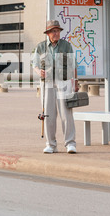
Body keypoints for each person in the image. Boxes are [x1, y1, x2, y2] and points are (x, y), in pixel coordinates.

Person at [32, 20, 79, 154]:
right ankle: (51, 145)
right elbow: (34, 64)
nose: (56, 33)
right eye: (53, 31)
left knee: (66, 114)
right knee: (48, 114)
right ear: (48, 33)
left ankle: (70, 143)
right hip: (46, 83)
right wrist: (38, 71)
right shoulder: (40, 47)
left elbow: (73, 65)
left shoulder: (66, 46)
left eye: (58, 30)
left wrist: (75, 82)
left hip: (63, 82)